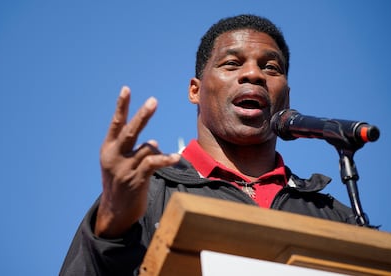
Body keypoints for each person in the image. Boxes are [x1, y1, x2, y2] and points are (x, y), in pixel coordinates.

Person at [60, 14, 356, 275]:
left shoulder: (332, 215)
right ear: (195, 91)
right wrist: (110, 230)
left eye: (271, 68)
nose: (253, 74)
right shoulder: (142, 194)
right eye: (232, 63)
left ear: (286, 98)